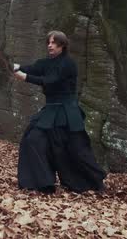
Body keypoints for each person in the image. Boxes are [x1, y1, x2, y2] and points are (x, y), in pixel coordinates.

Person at [12, 30, 106, 193]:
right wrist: (16, 67)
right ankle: (41, 183)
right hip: (51, 110)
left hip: (67, 112)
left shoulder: (68, 64)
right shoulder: (45, 63)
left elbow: (51, 81)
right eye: (48, 42)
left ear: (62, 45)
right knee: (33, 139)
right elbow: (33, 68)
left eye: (54, 42)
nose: (50, 45)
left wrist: (24, 77)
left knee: (75, 149)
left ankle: (90, 182)